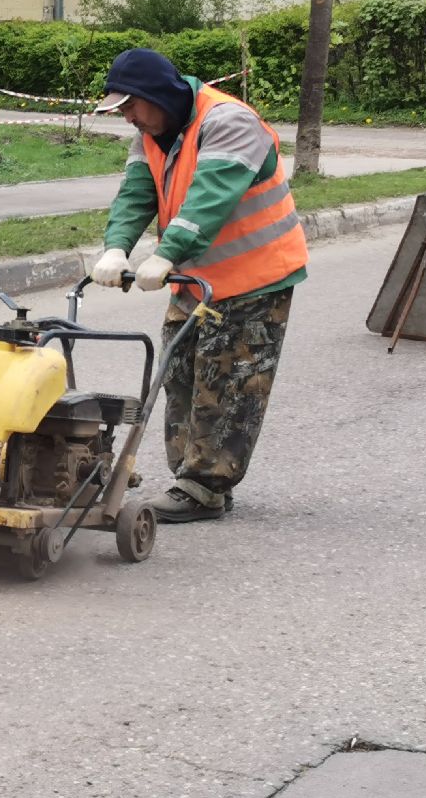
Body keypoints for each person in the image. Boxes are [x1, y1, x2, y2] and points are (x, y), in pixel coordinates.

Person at [89, 48, 307, 523]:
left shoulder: (229, 122)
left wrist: (166, 253)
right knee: (181, 371)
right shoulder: (150, 134)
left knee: (228, 381)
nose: (126, 117)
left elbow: (212, 195)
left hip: (256, 277)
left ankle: (205, 486)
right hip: (196, 280)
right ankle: (189, 475)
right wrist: (116, 246)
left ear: (155, 95)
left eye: (130, 106)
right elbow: (136, 194)